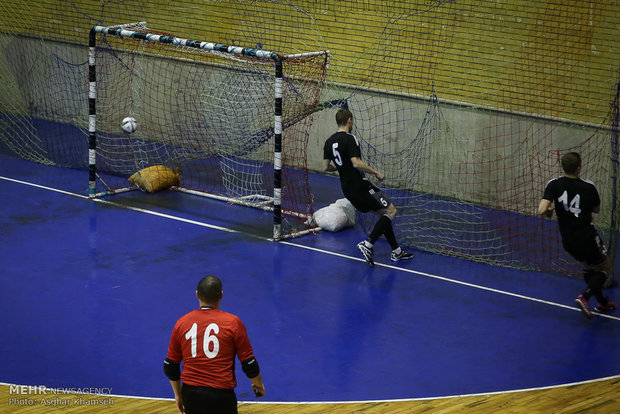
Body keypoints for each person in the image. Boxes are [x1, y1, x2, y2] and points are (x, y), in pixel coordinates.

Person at [323, 107, 413, 266]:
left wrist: (341, 168)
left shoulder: (329, 142)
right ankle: (368, 244)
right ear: (349, 120)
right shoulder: (351, 138)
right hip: (361, 186)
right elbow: (356, 163)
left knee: (383, 214)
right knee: (391, 210)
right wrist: (376, 173)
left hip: (347, 189)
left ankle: (396, 252)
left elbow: (325, 167)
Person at [164, 275, 266, 413]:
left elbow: (170, 365)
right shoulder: (232, 323)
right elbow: (249, 363)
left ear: (197, 294)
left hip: (191, 393)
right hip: (221, 395)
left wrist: (178, 395)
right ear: (221, 295)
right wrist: (258, 385)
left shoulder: (182, 323)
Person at [538, 152, 616, 319]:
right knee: (605, 268)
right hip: (586, 236)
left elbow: (542, 210)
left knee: (588, 268)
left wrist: (551, 211)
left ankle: (602, 303)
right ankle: (585, 297)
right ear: (579, 168)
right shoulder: (589, 186)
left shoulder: (554, 184)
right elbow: (596, 209)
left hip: (568, 240)